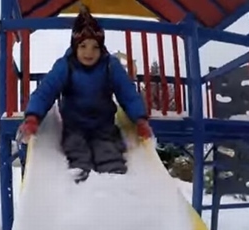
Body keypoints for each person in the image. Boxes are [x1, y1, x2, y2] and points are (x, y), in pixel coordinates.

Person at [18, 6, 153, 183]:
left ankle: (115, 185)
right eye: (83, 46)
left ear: (101, 48)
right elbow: (45, 91)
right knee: (77, 152)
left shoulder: (110, 65)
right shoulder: (66, 65)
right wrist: (33, 117)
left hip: (104, 125)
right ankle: (80, 184)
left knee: (109, 152)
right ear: (75, 46)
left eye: (95, 47)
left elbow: (127, 93)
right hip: (74, 126)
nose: (89, 52)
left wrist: (140, 120)